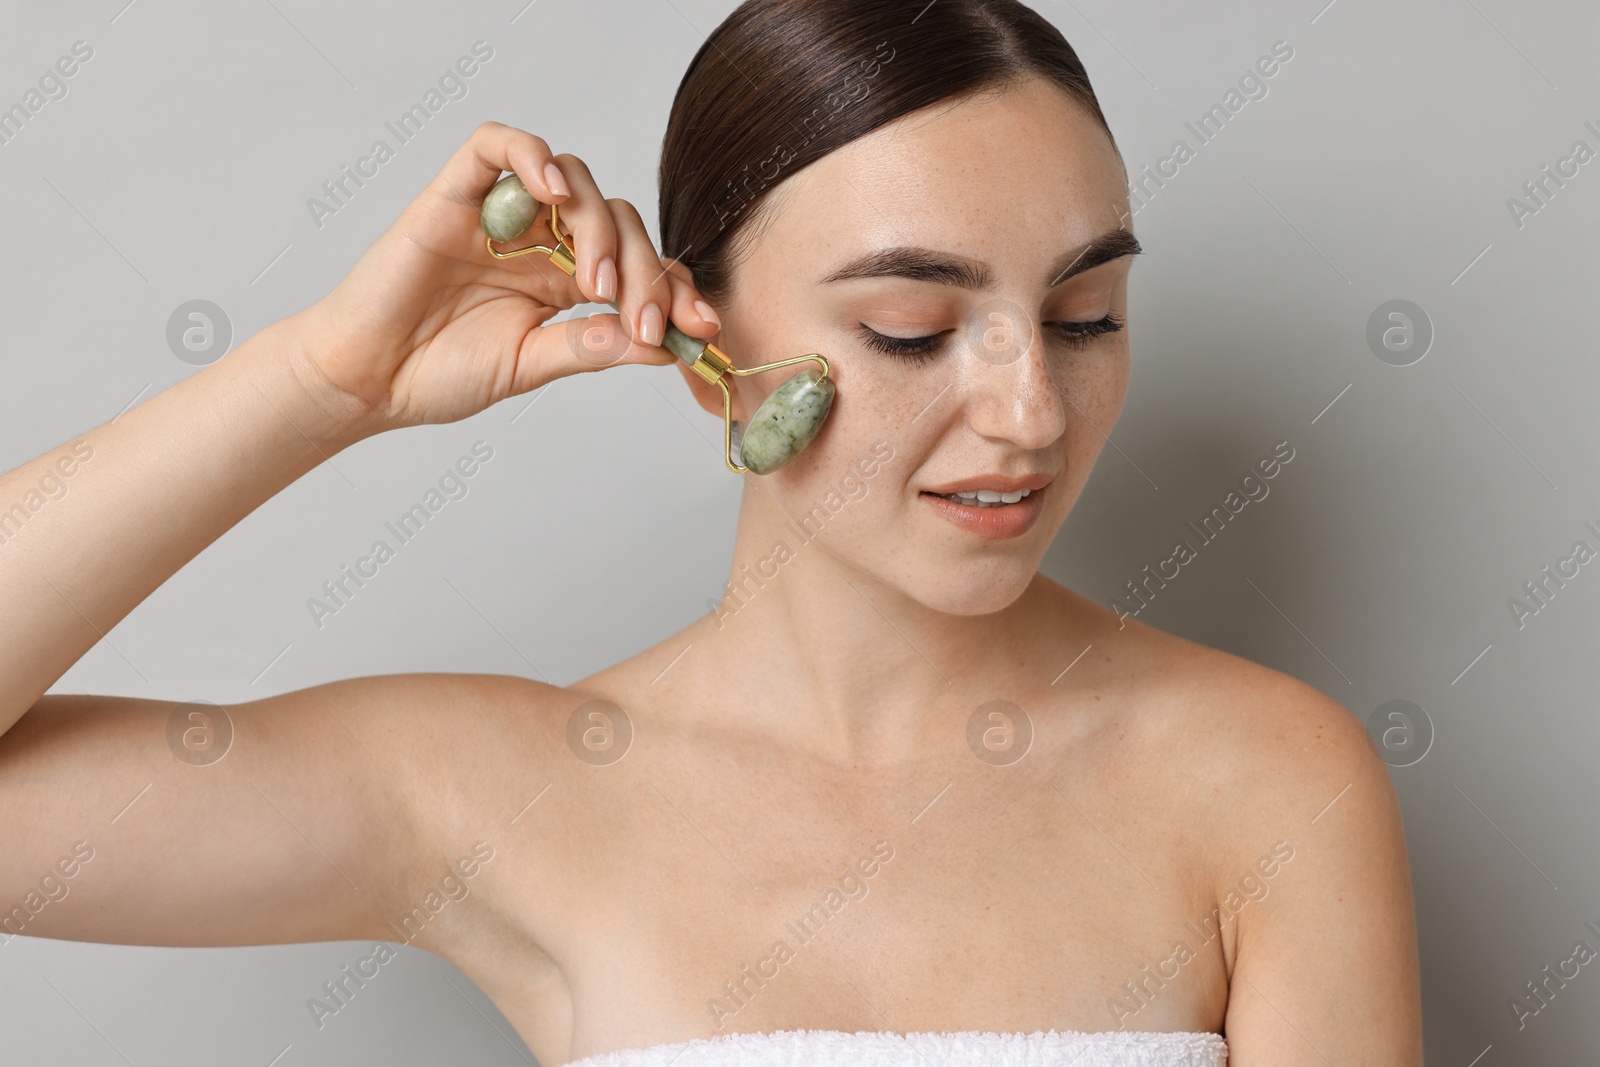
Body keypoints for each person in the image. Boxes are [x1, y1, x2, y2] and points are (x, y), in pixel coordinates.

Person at [0, 0, 1421, 1064]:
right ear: (700, 340)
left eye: (1085, 317)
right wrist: (328, 379)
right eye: (910, 330)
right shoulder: (513, 788)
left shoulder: (1267, 779)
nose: (1032, 412)